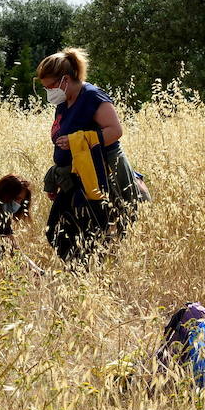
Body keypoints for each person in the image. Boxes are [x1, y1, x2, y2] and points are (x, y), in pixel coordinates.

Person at [36, 47, 143, 263]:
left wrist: (79, 140)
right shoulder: (63, 101)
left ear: (65, 80)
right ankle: (79, 273)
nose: (48, 91)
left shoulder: (93, 96)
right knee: (54, 231)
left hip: (97, 174)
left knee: (93, 233)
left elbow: (115, 131)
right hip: (73, 175)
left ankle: (87, 276)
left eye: (50, 86)